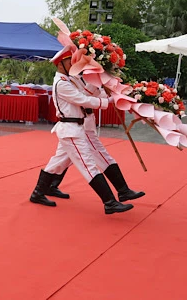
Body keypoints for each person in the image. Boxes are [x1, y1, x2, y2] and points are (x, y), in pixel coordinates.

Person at [29, 47, 135, 215]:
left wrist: (102, 81)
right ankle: (109, 202)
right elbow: (83, 100)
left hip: (75, 128)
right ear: (60, 64)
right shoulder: (62, 84)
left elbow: (87, 92)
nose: (73, 63)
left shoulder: (72, 80)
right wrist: (109, 102)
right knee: (88, 165)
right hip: (71, 130)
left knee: (58, 163)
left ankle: (38, 192)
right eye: (69, 61)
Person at [44, 74, 146, 203]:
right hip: (79, 125)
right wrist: (102, 92)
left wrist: (117, 94)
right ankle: (120, 192)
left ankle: (45, 188)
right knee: (100, 158)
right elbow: (83, 98)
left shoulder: (78, 78)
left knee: (61, 159)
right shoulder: (67, 81)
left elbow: (97, 94)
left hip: (83, 123)